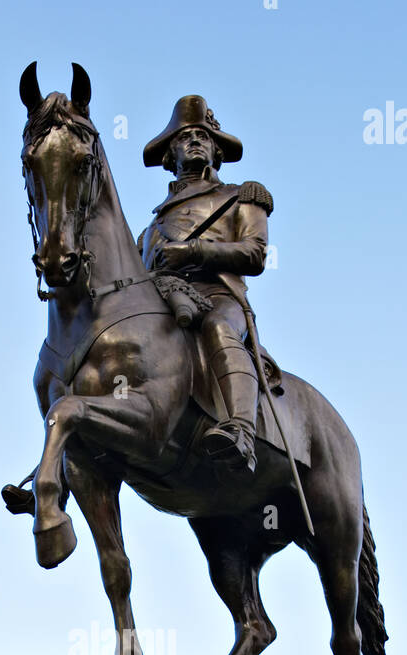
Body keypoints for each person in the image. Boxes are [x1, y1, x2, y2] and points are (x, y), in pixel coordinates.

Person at [138, 95, 273, 471]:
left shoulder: (240, 196)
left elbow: (255, 254)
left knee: (217, 326)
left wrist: (194, 252)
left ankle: (241, 432)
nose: (194, 141)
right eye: (184, 137)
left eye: (203, 136)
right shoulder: (149, 228)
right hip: (163, 304)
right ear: (170, 154)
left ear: (216, 151)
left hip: (218, 296)